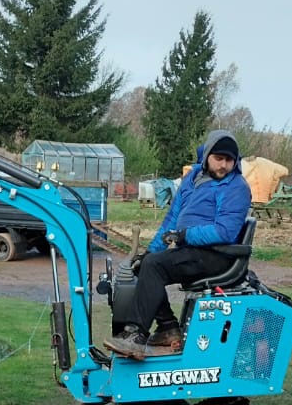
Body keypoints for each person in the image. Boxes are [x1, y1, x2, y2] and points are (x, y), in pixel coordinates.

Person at [107, 132, 252, 359]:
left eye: (229, 160)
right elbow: (172, 219)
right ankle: (167, 327)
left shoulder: (235, 187)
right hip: (194, 250)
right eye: (219, 158)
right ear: (206, 157)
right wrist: (151, 251)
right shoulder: (193, 178)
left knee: (155, 266)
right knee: (145, 264)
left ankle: (135, 335)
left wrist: (185, 236)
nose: (224, 165)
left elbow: (224, 231)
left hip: (218, 255)